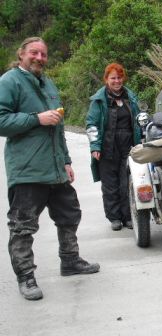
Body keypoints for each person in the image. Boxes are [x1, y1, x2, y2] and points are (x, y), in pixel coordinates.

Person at [0, 37, 100, 301]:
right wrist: (36, 119)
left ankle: (70, 261)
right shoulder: (10, 81)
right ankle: (26, 278)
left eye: (43, 54)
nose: (39, 58)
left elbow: (57, 128)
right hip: (27, 169)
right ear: (21, 54)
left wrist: (66, 161)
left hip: (54, 168)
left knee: (69, 214)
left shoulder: (48, 83)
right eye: (34, 52)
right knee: (23, 226)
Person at [86, 63, 141, 231]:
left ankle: (128, 217)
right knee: (110, 184)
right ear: (106, 79)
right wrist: (95, 146)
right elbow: (92, 124)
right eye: (113, 78)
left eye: (119, 77)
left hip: (128, 146)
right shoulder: (98, 100)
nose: (117, 81)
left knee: (127, 182)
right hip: (107, 147)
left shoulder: (130, 98)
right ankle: (114, 218)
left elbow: (139, 120)